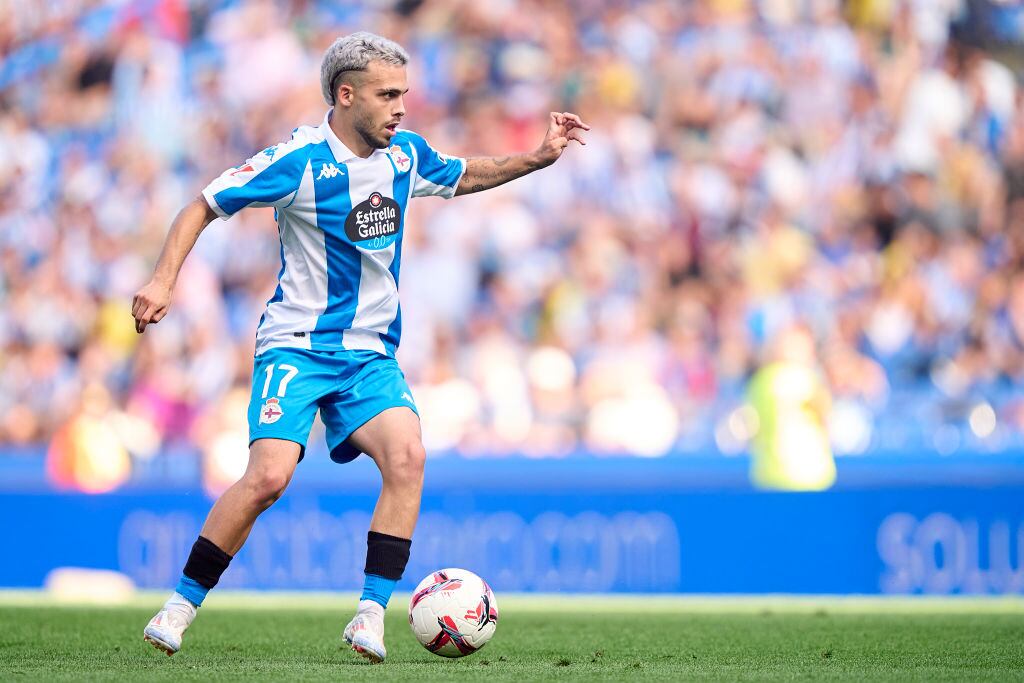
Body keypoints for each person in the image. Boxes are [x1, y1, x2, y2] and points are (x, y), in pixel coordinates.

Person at [131, 31, 588, 663]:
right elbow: (202, 206)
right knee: (268, 478)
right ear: (346, 95)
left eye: (404, 93)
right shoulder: (298, 160)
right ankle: (179, 605)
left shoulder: (405, 155)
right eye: (387, 94)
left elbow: (465, 171)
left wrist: (537, 158)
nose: (401, 107)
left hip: (370, 355)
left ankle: (369, 616)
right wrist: (161, 279)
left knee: (408, 457)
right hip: (296, 346)